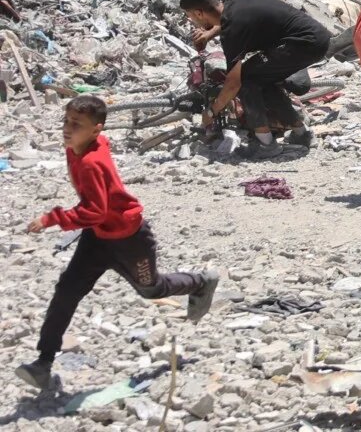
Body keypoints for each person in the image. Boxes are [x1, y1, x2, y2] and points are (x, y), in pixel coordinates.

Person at [18, 97, 220, 393]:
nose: (67, 129)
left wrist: (52, 218)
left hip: (129, 239)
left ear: (96, 130)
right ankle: (43, 363)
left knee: (151, 288)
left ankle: (200, 282)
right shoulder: (81, 146)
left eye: (76, 125)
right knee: (66, 291)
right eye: (66, 121)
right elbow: (96, 208)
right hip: (97, 239)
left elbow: (95, 211)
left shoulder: (89, 162)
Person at [179, 0, 330, 157]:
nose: (192, 20)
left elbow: (233, 84)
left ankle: (265, 144)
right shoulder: (233, 2)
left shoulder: (233, 31)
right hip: (313, 37)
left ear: (199, 13)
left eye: (190, 16)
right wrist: (209, 34)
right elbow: (229, 21)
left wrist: (212, 111)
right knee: (261, 78)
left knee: (246, 79)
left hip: (303, 44)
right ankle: (301, 134)